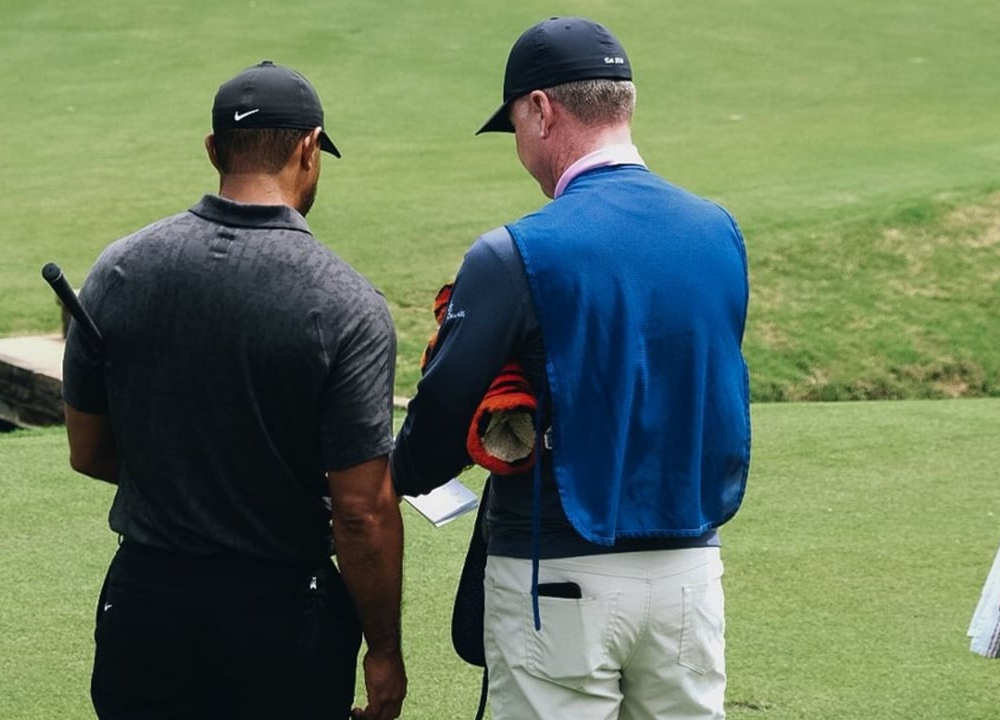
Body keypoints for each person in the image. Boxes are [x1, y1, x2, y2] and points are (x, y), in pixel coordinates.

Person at [391, 17, 751, 720]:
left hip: (555, 575)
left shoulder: (514, 253)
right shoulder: (720, 232)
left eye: (517, 125)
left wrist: (393, 476)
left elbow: (435, 431)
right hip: (691, 578)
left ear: (541, 110)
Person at [61, 60, 405, 720]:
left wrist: (186, 484)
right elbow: (361, 512)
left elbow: (89, 451)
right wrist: (383, 651)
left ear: (215, 150)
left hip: (143, 605)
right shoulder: (346, 304)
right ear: (310, 148)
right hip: (280, 616)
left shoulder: (120, 270)